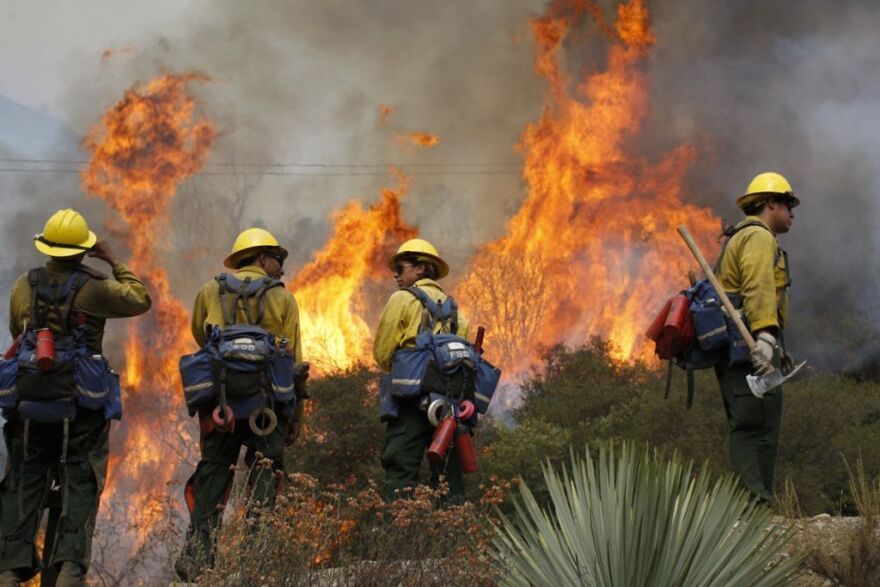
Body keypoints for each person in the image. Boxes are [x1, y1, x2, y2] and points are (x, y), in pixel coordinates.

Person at [0, 209, 151, 587]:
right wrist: (113, 259)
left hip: (31, 402)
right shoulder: (95, 287)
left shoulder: (24, 284)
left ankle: (9, 569)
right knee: (81, 480)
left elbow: (17, 329)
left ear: (47, 247)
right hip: (82, 406)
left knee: (23, 478)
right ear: (84, 250)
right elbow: (139, 298)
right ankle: (69, 571)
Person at [176, 227, 306, 579]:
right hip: (268, 408)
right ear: (261, 257)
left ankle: (197, 562)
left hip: (221, 405)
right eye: (277, 259)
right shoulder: (282, 297)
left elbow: (200, 335)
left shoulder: (210, 290)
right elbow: (293, 359)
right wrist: (295, 415)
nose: (281, 267)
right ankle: (255, 565)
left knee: (215, 471)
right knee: (265, 476)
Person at [714, 172, 798, 503]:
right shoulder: (758, 237)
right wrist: (764, 338)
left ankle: (755, 504)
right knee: (756, 426)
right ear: (770, 203)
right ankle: (755, 509)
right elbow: (757, 286)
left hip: (739, 350)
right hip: (748, 350)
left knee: (751, 422)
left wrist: (776, 343)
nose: (792, 213)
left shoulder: (740, 237)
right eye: (788, 204)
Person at [373, 238, 469, 503]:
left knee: (400, 479)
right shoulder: (458, 313)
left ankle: (398, 540)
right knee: (449, 480)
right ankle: (450, 539)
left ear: (421, 269)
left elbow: (382, 354)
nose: (396, 273)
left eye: (401, 267)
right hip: (447, 411)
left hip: (408, 407)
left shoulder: (401, 300)